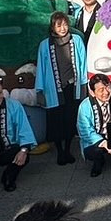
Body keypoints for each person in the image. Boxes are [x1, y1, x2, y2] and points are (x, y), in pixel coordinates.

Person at [35, 11, 88, 166]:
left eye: (65, 24)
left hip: (73, 86)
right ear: (53, 27)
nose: (63, 28)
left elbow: (83, 63)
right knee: (56, 119)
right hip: (53, 88)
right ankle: (60, 151)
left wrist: (84, 84)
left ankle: (68, 150)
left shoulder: (76, 40)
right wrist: (39, 90)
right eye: (59, 25)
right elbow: (41, 68)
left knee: (71, 118)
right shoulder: (45, 44)